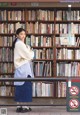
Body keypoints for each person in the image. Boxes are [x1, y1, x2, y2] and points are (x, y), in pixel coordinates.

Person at [12, 28, 34, 113]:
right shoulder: (20, 44)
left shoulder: (20, 44)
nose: (23, 36)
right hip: (23, 68)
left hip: (22, 68)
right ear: (17, 35)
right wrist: (31, 51)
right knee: (25, 87)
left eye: (24, 34)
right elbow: (30, 55)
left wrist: (28, 49)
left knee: (22, 86)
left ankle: (21, 106)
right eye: (21, 34)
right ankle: (24, 106)